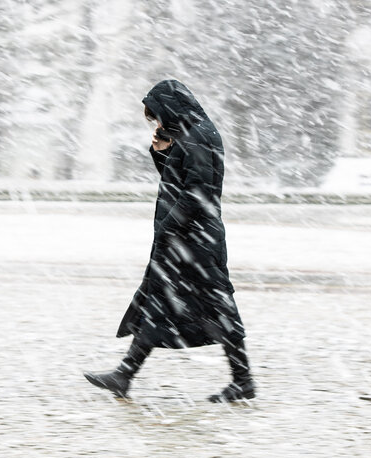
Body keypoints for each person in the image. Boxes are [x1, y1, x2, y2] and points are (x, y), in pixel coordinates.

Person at [83, 79, 255, 403]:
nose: (158, 124)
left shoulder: (200, 137)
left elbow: (197, 194)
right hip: (186, 240)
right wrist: (161, 153)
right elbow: (177, 180)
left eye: (158, 117)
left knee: (218, 309)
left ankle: (243, 380)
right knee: (160, 305)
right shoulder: (191, 135)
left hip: (196, 242)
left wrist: (168, 228)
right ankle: (125, 374)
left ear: (171, 109)